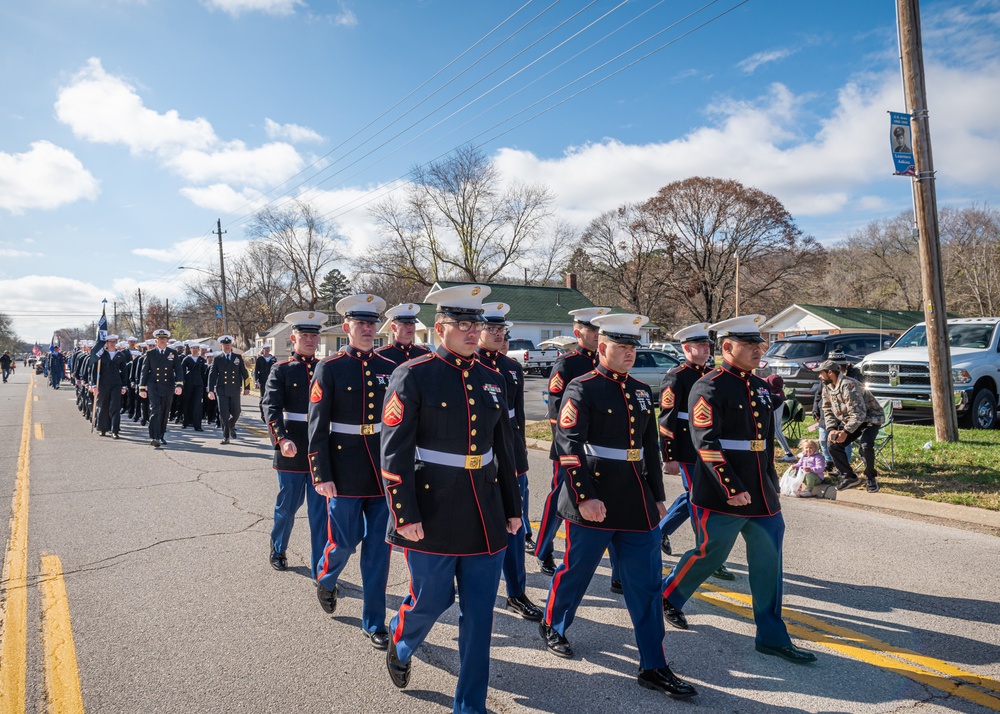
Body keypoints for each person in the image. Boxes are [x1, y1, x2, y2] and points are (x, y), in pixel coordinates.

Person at [541, 313, 698, 699]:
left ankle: (653, 665)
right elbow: (568, 447)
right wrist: (584, 497)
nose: (629, 354)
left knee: (644, 586)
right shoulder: (582, 388)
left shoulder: (642, 390)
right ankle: (554, 624)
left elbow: (649, 449)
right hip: (595, 495)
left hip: (636, 500)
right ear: (603, 347)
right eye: (622, 347)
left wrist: (659, 497)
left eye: (633, 348)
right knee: (577, 571)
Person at [380, 284, 521, 714]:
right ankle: (401, 641)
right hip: (431, 510)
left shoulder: (493, 380)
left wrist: (514, 510)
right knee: (431, 600)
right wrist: (403, 514)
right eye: (462, 324)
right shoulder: (415, 373)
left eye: (476, 324)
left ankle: (470, 705)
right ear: (440, 328)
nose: (472, 331)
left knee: (480, 619)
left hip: (485, 514)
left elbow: (505, 451)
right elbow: (394, 451)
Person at [661, 314, 818, 665]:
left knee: (768, 564)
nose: (758, 350)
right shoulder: (709, 386)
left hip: (761, 493)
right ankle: (669, 595)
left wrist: (771, 482)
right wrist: (730, 486)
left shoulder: (760, 385)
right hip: (720, 491)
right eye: (750, 345)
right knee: (710, 553)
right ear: (728, 347)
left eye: (759, 344)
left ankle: (772, 637)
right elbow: (706, 442)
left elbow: (763, 442)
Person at [307, 294, 397, 649]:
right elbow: (317, 425)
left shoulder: (389, 366)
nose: (367, 329)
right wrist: (320, 473)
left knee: (379, 549)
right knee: (343, 541)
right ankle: (327, 578)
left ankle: (374, 621)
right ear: (346, 328)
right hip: (342, 470)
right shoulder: (329, 367)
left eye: (372, 324)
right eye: (360, 324)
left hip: (380, 469)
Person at [476, 302, 543, 622]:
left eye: (502, 330)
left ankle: (516, 592)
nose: (498, 334)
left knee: (515, 528)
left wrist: (520, 459)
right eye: (492, 329)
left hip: (511, 459)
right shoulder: (467, 365)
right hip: (479, 459)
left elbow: (517, 422)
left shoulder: (512, 368)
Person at [656, 323, 736, 589]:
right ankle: (710, 555)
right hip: (688, 450)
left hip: (709, 449)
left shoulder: (712, 374)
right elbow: (666, 419)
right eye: (700, 346)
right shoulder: (676, 376)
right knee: (699, 501)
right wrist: (669, 455)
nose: (706, 349)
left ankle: (659, 532)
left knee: (693, 497)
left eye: (707, 345)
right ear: (686, 348)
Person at [536, 306, 613, 576]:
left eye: (598, 330)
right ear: (577, 332)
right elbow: (557, 411)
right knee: (561, 497)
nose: (595, 335)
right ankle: (543, 548)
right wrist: (565, 447)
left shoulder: (606, 363)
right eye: (590, 330)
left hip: (600, 450)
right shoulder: (567, 363)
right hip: (572, 447)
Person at [263, 311, 329, 577]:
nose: (310, 340)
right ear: (293, 338)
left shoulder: (326, 369)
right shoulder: (281, 369)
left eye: (314, 335)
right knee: (288, 507)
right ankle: (278, 547)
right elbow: (270, 407)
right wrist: (281, 439)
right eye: (305, 335)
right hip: (292, 447)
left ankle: (320, 570)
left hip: (320, 450)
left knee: (320, 514)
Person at [817, 359, 884, 493]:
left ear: (830, 372)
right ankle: (849, 477)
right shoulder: (827, 388)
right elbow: (827, 410)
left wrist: (845, 431)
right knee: (833, 445)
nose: (819, 376)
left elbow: (859, 413)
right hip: (850, 420)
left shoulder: (849, 385)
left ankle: (871, 477)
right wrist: (831, 429)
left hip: (871, 418)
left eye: (821, 373)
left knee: (865, 447)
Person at [138, 329, 184, 448]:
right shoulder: (150, 353)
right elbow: (144, 371)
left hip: (168, 385)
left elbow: (178, 370)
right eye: (160, 338)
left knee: (165, 411)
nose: (162, 340)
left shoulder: (172, 353)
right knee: (155, 410)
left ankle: (161, 435)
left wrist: (179, 385)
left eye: (164, 338)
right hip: (154, 385)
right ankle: (155, 436)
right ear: (156, 340)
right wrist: (142, 388)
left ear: (167, 340)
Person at [208, 335, 250, 444]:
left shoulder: (237, 357)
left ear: (231, 345)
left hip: (235, 389)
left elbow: (244, 373)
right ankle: (226, 436)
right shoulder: (217, 359)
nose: (226, 346)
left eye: (228, 344)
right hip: (222, 390)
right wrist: (211, 390)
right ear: (221, 346)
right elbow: (212, 375)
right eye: (224, 345)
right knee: (224, 414)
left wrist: (247, 387)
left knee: (237, 412)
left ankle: (231, 425)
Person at [89, 335, 130, 438]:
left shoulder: (120, 355)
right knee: (103, 406)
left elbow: (124, 372)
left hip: (116, 384)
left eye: (114, 341)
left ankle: (115, 430)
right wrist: (94, 384)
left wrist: (124, 385)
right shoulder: (101, 354)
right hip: (103, 384)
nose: (112, 343)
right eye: (109, 341)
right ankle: (102, 428)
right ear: (106, 343)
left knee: (115, 407)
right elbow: (94, 371)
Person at [765, 373, 797, 463]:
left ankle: (789, 455)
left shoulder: (777, 395)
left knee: (776, 430)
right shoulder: (770, 390)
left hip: (776, 406)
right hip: (770, 407)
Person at [181, 343, 208, 430]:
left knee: (197, 404)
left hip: (199, 385)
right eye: (193, 348)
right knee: (187, 403)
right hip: (188, 384)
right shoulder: (186, 359)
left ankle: (197, 425)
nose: (195, 350)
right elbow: (182, 372)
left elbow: (205, 374)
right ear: (190, 349)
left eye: (197, 348)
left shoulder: (202, 360)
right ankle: (186, 422)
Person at [254, 344, 277, 422]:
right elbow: (256, 371)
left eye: (268, 349)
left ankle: (269, 414)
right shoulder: (260, 359)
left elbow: (276, 370)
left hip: (271, 380)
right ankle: (263, 414)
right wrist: (256, 380)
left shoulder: (273, 359)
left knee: (271, 398)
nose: (267, 350)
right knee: (263, 397)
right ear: (262, 350)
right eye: (265, 349)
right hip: (262, 381)